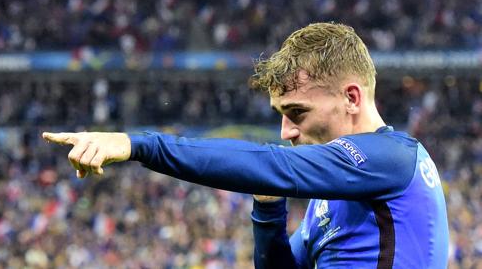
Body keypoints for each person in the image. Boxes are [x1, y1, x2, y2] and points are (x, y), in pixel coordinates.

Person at [43, 23, 449, 268]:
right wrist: (269, 210)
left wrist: (138, 145)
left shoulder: (394, 159)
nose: (286, 131)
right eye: (281, 115)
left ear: (352, 98)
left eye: (297, 112)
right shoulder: (331, 201)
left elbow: (276, 164)